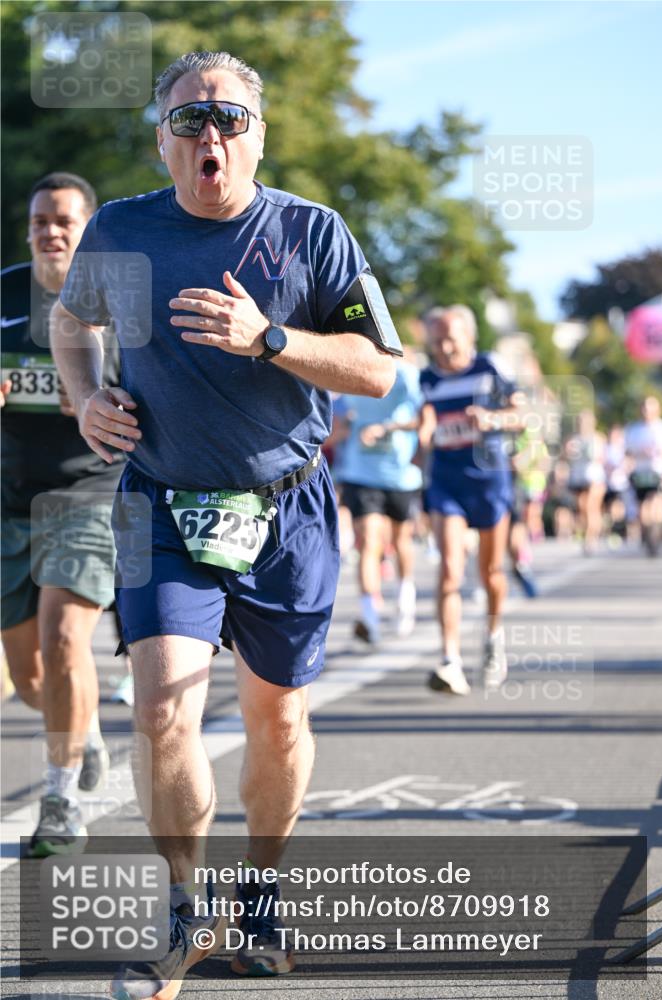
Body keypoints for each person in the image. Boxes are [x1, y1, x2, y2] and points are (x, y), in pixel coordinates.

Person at [50, 50, 399, 995]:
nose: (211, 136)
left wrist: (270, 339)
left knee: (276, 720)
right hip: (159, 500)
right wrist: (86, 398)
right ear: (162, 137)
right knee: (162, 704)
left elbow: (377, 370)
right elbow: (73, 323)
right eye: (191, 120)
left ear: (258, 134)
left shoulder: (312, 232)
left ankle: (265, 896)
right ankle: (183, 904)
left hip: (287, 512)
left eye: (230, 120)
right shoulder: (120, 231)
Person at [1, 172, 122, 856]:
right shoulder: (5, 293)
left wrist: (104, 402)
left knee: (64, 640)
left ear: (88, 232)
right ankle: (88, 727)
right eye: (40, 219)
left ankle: (59, 801)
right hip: (11, 496)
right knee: (29, 680)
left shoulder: (119, 303)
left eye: (65, 221)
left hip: (89, 493)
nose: (50, 230)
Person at [418, 306, 521, 695]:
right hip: (446, 481)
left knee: (491, 573)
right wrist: (421, 441)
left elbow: (522, 415)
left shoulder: (489, 367)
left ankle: (494, 638)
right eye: (437, 340)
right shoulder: (426, 378)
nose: (444, 347)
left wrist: (493, 420)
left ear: (469, 338)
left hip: (489, 479)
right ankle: (450, 660)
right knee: (449, 568)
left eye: (451, 339)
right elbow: (425, 417)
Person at [335, 359, 423, 643]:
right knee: (369, 542)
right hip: (361, 473)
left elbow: (423, 419)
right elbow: (339, 419)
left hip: (400, 475)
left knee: (400, 541)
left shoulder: (407, 375)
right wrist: (345, 428)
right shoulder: (351, 367)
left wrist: (388, 429)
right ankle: (369, 615)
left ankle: (405, 598)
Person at [625, 396, 662, 556]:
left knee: (657, 503)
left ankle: (656, 533)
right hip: (641, 474)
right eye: (644, 408)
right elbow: (628, 453)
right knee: (643, 508)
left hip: (659, 472)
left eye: (650, 408)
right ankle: (648, 533)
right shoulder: (634, 430)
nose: (647, 412)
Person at [564, 409, 607, 554]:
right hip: (578, 477)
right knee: (582, 508)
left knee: (591, 507)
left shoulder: (597, 438)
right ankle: (587, 533)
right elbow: (566, 458)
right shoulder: (573, 439)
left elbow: (601, 458)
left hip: (594, 477)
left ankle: (591, 538)